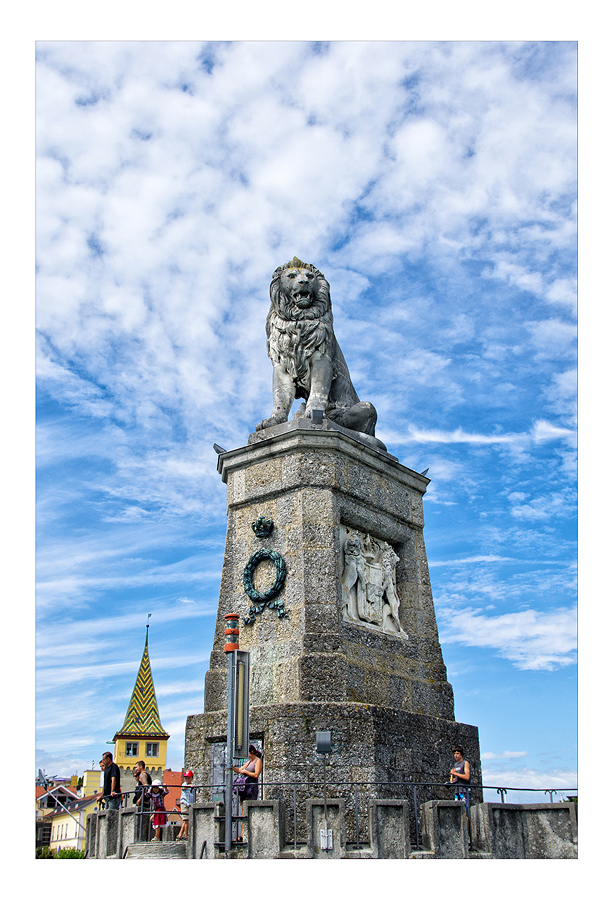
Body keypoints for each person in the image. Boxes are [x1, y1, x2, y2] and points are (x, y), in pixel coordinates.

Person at [232, 745, 263, 840]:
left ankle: (249, 834)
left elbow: (256, 774)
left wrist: (246, 772)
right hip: (245, 788)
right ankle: (243, 834)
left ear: (252, 752)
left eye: (248, 752)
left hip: (251, 788)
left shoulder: (258, 761)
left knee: (249, 809)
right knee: (243, 811)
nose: (246, 755)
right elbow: (239, 770)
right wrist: (231, 766)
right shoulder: (249, 762)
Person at [450, 745, 471, 817]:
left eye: (457, 753)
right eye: (454, 753)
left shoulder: (465, 763)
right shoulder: (455, 765)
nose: (456, 755)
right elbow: (458, 777)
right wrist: (453, 780)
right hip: (457, 790)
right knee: (458, 813)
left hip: (464, 790)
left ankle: (468, 828)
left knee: (464, 813)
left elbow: (467, 776)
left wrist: (455, 773)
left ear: (461, 754)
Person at [176, 770, 196, 841]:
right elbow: (183, 788)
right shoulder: (184, 784)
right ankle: (186, 835)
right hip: (184, 803)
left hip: (189, 804)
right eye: (186, 778)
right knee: (186, 820)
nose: (187, 779)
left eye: (188, 778)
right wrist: (189, 786)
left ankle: (180, 835)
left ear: (191, 778)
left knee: (186, 820)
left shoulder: (192, 786)